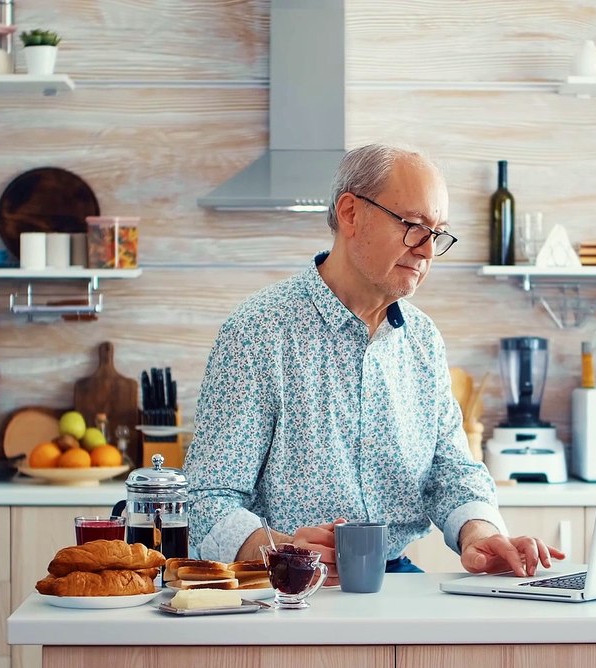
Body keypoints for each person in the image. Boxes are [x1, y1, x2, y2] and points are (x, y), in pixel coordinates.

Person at [185, 143, 564, 583]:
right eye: (414, 226)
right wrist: (278, 548)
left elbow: (452, 472)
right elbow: (205, 500)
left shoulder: (422, 340)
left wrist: (480, 532)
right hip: (288, 588)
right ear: (350, 213)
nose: (426, 250)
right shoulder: (259, 332)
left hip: (395, 577)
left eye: (437, 233)